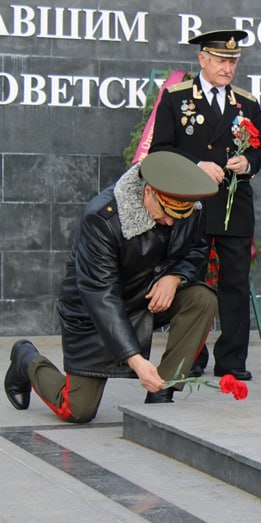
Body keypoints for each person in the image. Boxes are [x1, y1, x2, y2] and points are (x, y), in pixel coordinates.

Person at [4, 152, 219, 423]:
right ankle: (26, 359)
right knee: (77, 410)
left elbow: (197, 248)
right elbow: (101, 294)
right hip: (93, 314)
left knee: (201, 299)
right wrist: (136, 359)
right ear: (149, 191)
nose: (171, 223)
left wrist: (175, 277)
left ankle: (161, 391)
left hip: (145, 298)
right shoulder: (102, 218)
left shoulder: (185, 205)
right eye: (166, 214)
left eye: (179, 215)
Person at [151, 29, 261, 381]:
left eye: (232, 61)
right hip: (192, 205)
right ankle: (191, 356)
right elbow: (161, 149)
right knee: (192, 282)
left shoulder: (246, 103)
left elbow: (260, 149)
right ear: (202, 59)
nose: (227, 67)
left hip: (234, 204)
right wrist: (196, 166)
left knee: (234, 284)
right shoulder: (177, 97)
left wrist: (247, 163)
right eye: (220, 60)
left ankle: (232, 361)